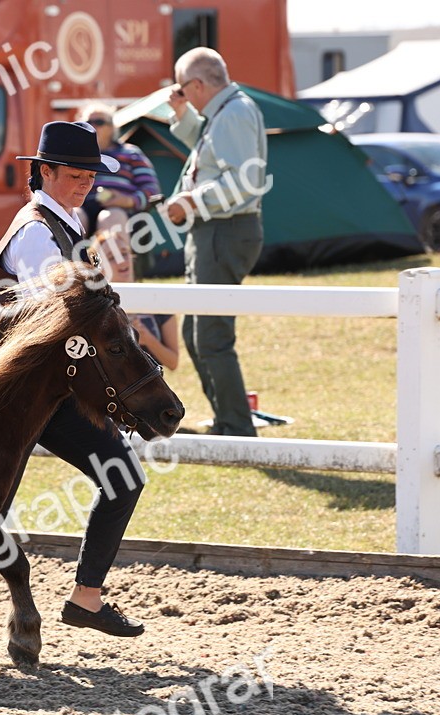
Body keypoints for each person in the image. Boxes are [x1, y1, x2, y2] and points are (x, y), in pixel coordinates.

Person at [0, 121, 149, 655]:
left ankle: (80, 597)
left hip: (45, 391)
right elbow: (61, 318)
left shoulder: (62, 224)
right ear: (45, 173)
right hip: (23, 394)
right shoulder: (39, 232)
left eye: (90, 174)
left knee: (118, 476)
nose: (85, 182)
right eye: (75, 174)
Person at [164, 47, 267, 436]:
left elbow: (245, 181)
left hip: (224, 230)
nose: (183, 94)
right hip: (215, 231)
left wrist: (192, 201)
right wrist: (183, 116)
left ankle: (236, 429)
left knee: (210, 336)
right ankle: (229, 421)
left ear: (198, 84)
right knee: (198, 334)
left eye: (183, 89)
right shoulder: (226, 112)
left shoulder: (235, 113)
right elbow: (212, 150)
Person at [73, 103, 161, 280]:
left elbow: (152, 192)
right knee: (73, 218)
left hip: (120, 210)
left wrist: (126, 200)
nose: (93, 126)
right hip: (83, 206)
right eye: (88, 122)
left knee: (110, 217)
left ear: (113, 127)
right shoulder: (75, 156)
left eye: (99, 121)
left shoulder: (131, 153)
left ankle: (118, 281)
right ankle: (74, 280)